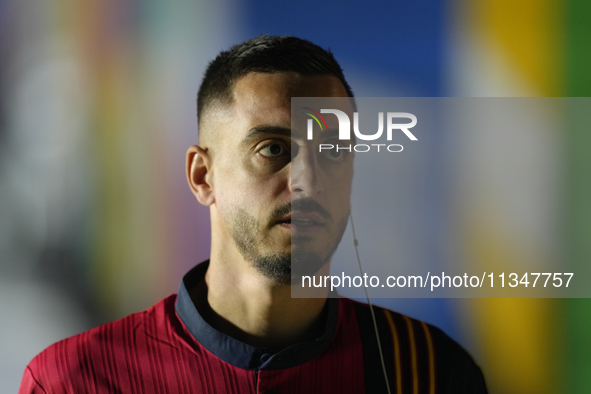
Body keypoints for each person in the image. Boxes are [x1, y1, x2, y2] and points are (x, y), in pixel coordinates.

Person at [19, 35, 487, 394]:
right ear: (203, 176)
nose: (308, 179)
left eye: (332, 151)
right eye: (273, 149)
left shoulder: (429, 372)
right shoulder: (78, 380)